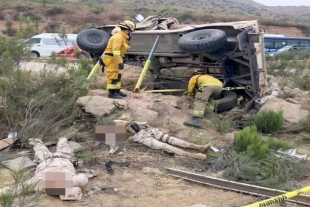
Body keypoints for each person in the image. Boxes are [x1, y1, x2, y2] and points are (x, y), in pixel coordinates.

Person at [0, 137, 88, 201]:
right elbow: (82, 180)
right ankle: (63, 137)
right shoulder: (42, 183)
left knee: (39, 147)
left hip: (46, 161)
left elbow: (15, 189)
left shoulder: (37, 182)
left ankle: (36, 141)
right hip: (63, 157)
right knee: (62, 142)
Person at [110, 121, 210, 160]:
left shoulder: (126, 122)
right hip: (144, 139)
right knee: (166, 146)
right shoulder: (115, 133)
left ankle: (199, 147)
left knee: (173, 140)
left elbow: (142, 123)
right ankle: (194, 156)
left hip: (149, 132)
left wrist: (147, 126)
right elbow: (115, 144)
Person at [102, 20, 136, 99]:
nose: (130, 33)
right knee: (113, 75)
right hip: (112, 58)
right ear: (127, 30)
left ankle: (117, 90)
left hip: (115, 58)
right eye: (130, 31)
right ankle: (111, 93)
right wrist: (120, 61)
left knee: (118, 75)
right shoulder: (118, 38)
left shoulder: (121, 37)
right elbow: (115, 51)